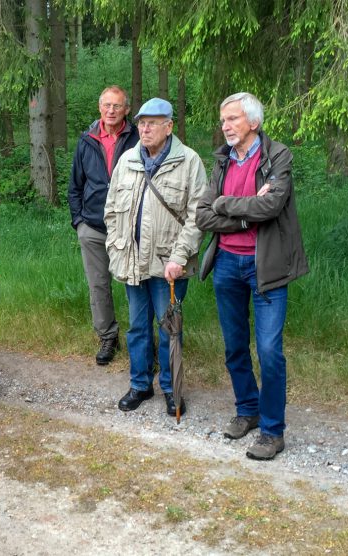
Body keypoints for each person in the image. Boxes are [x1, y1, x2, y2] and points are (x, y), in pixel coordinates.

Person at [195, 92, 309, 461]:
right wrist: (245, 216)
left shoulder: (277, 156)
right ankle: (248, 409)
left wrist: (225, 204)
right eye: (223, 120)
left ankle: (272, 431)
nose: (225, 126)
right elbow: (202, 214)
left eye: (232, 119)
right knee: (234, 345)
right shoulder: (222, 161)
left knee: (270, 352)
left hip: (267, 266)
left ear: (253, 123)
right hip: (227, 264)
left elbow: (272, 204)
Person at [104, 98, 209, 417]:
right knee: (137, 326)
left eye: (153, 122)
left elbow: (198, 215)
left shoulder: (189, 161)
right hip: (132, 261)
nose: (145, 128)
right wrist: (114, 245)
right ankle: (139, 384)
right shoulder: (127, 160)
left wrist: (180, 257)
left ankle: (170, 389)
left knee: (169, 329)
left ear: (169, 126)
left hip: (169, 265)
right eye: (141, 122)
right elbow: (110, 209)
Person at [69, 85, 140, 366]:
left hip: (128, 226)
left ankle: (142, 339)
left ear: (127, 110)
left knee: (136, 282)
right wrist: (79, 222)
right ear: (99, 107)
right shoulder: (86, 140)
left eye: (117, 106)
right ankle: (108, 336)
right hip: (93, 226)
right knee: (98, 285)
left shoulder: (137, 138)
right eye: (107, 105)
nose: (111, 111)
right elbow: (75, 186)